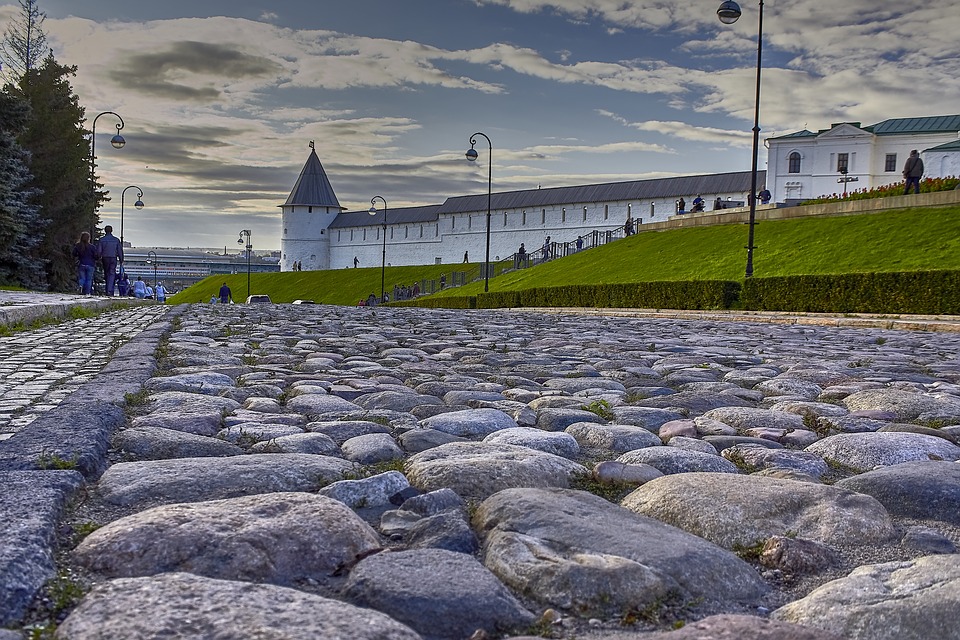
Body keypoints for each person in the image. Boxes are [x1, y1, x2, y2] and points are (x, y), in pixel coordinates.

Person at [97, 225, 124, 296]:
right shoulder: (116, 240)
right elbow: (119, 251)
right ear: (111, 230)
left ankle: (107, 289)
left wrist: (98, 257)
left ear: (105, 231)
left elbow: (99, 251)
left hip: (105, 258)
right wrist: (121, 260)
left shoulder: (102, 240)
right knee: (112, 273)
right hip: (113, 258)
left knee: (106, 273)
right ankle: (110, 290)